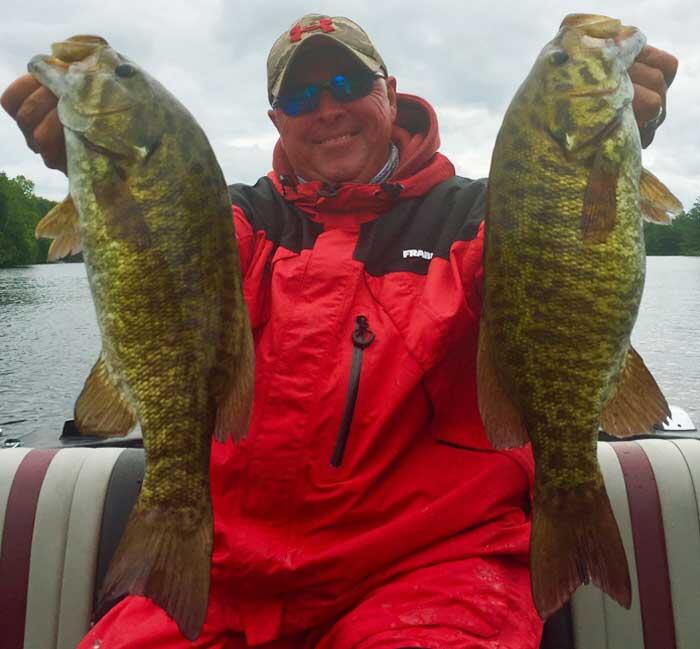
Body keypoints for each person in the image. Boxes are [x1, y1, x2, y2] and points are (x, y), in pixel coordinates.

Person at [1, 13, 678, 649]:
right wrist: (101, 174)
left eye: (347, 84)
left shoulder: (482, 218)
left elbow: (566, 250)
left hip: (431, 571)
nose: (326, 109)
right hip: (223, 571)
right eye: (299, 98)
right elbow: (153, 250)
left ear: (389, 93)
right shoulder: (228, 222)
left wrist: (609, 149)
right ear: (276, 119)